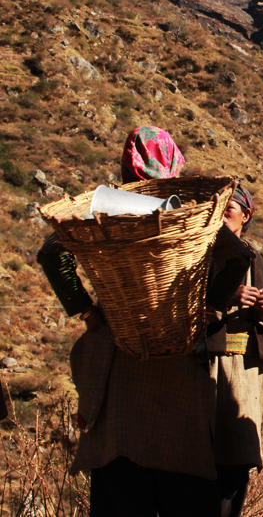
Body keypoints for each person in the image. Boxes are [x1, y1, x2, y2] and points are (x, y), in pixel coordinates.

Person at [42, 126, 222, 516]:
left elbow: (51, 252)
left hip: (120, 362)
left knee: (120, 487)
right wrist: (210, 307)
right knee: (184, 488)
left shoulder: (105, 213)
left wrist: (91, 314)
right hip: (180, 371)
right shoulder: (191, 216)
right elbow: (239, 254)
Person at [206, 181, 263, 517]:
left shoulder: (259, 259)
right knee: (201, 455)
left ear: (246, 215)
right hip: (205, 365)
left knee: (236, 459)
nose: (222, 219)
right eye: (217, 213)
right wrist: (226, 297)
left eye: (229, 212)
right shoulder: (200, 254)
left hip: (245, 375)